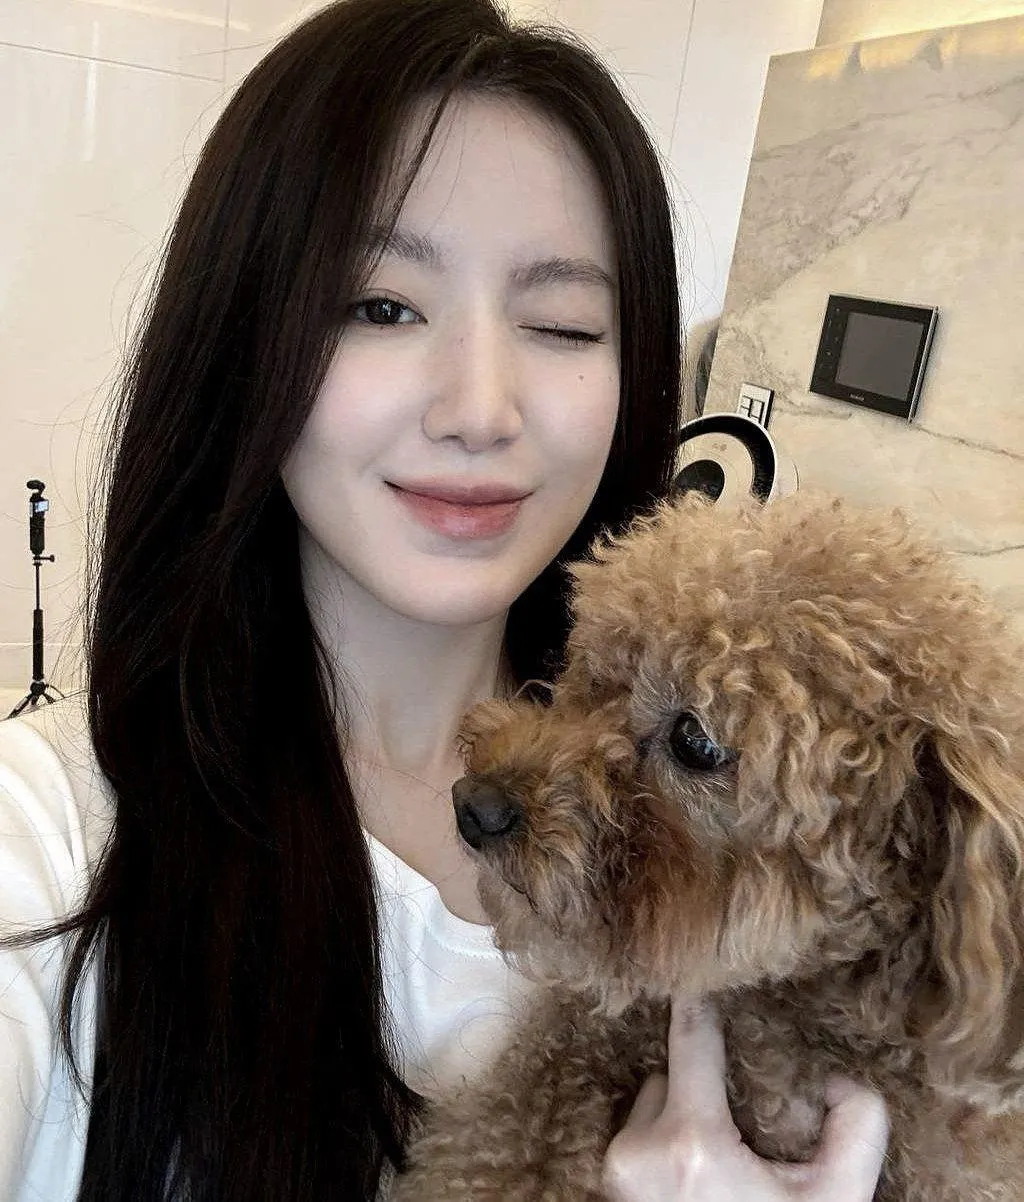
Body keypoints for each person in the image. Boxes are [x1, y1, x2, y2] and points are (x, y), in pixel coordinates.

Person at [0, 0, 889, 1198]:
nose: (481, 406)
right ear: (242, 338)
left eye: (562, 321)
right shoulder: (52, 837)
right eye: (381, 306)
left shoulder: (742, 851)